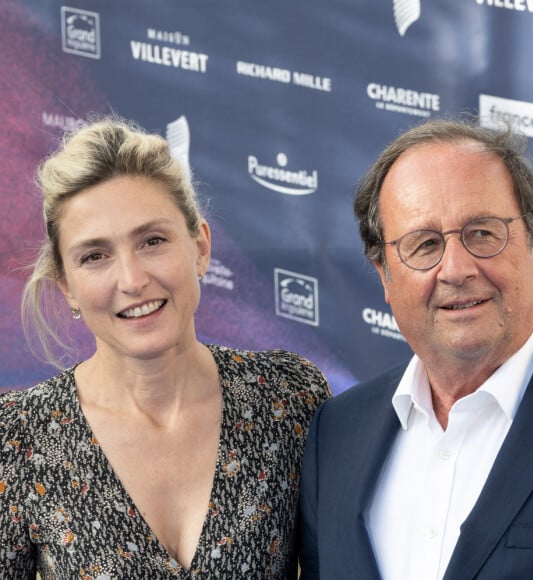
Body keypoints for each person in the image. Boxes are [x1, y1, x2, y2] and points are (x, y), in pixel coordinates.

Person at [0, 116, 331, 579]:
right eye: (95, 256)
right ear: (67, 286)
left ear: (200, 248)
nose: (133, 280)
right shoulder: (17, 439)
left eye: (152, 241)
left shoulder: (288, 398)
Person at [299, 117, 533, 579]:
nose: (455, 268)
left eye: (483, 233)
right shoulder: (336, 434)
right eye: (424, 245)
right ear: (384, 274)